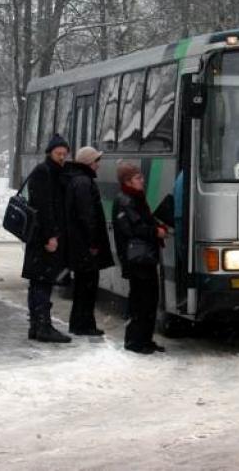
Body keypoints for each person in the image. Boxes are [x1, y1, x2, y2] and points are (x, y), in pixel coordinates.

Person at [22, 134, 72, 343]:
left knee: (38, 282)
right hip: (43, 239)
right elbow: (44, 208)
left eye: (64, 154)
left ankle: (37, 325)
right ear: (50, 153)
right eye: (58, 153)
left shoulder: (52, 172)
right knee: (43, 282)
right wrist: (50, 236)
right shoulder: (45, 173)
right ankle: (43, 326)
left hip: (40, 238)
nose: (62, 157)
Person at [112, 162, 167, 354]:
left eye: (141, 177)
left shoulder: (135, 197)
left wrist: (157, 227)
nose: (142, 180)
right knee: (141, 299)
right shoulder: (126, 200)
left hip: (144, 257)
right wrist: (155, 232)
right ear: (127, 181)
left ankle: (145, 339)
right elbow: (133, 229)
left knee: (150, 299)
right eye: (138, 178)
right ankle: (135, 341)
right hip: (137, 259)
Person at [64, 146, 115, 336]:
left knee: (82, 287)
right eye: (96, 161)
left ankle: (80, 323)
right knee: (87, 287)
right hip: (86, 247)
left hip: (81, 245)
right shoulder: (84, 182)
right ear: (88, 163)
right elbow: (87, 216)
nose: (98, 165)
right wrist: (93, 243)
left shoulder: (78, 180)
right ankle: (83, 325)